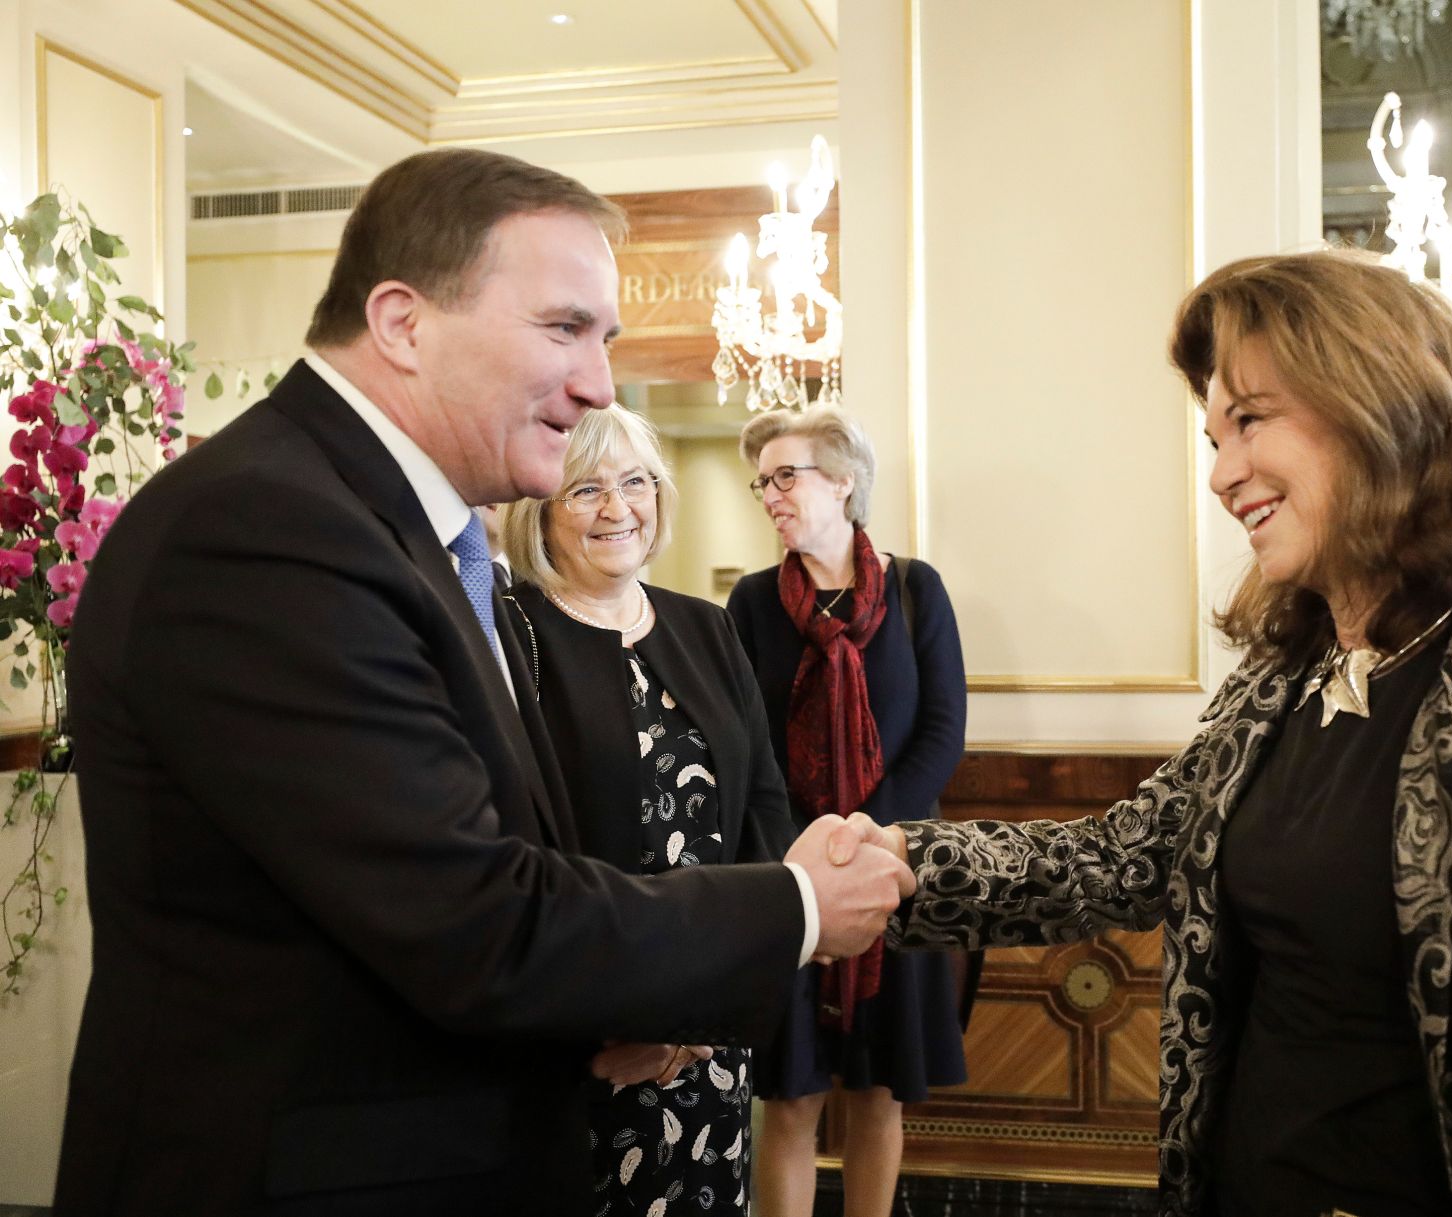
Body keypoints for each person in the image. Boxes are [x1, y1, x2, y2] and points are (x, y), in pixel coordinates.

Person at [57, 148, 912, 1217]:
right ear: (403, 323)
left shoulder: (407, 532)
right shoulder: (264, 531)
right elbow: (472, 917)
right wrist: (792, 902)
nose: (599, 380)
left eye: (603, 339)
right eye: (563, 328)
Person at [852, 250, 1452, 1216]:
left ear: (1381, 403)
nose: (1222, 474)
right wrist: (900, 862)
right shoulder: (1291, 670)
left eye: (1250, 420)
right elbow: (1120, 856)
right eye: (1213, 438)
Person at [499, 403, 797, 1215]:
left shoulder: (706, 626)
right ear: (542, 511)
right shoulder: (510, 632)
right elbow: (521, 851)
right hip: (590, 1046)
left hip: (708, 1040)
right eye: (585, 488)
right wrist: (634, 1018)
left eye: (635, 482)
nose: (617, 507)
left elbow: (764, 814)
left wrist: (702, 1015)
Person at [726, 406, 970, 1217]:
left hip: (893, 871)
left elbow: (941, 731)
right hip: (789, 879)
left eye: (786, 475)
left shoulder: (914, 589)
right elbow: (745, 743)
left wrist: (868, 836)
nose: (770, 493)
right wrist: (811, 852)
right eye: (762, 480)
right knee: (791, 1098)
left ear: (844, 481)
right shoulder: (753, 603)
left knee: (877, 1093)